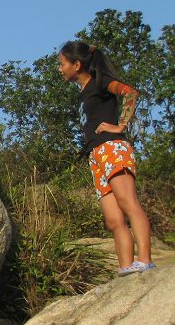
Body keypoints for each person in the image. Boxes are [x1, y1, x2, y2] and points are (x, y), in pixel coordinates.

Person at [58, 41, 155, 276]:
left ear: (76, 65)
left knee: (127, 202)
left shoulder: (99, 82)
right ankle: (126, 267)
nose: (60, 69)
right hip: (96, 155)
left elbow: (130, 93)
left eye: (62, 64)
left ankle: (145, 260)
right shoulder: (82, 94)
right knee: (113, 219)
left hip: (113, 147)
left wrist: (120, 125)